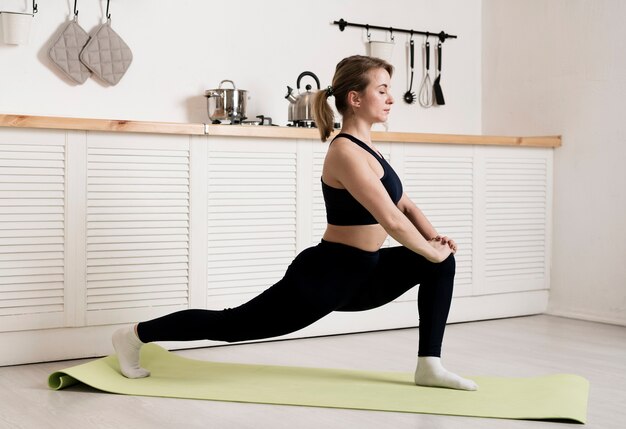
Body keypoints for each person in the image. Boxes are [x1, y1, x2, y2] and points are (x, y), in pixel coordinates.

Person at [112, 54, 477, 391]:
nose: (391, 98)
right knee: (232, 325)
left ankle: (429, 364)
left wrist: (434, 240)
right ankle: (133, 336)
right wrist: (428, 251)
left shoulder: (371, 149)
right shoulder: (345, 151)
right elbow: (392, 220)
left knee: (441, 264)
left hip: (366, 271)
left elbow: (406, 205)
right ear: (355, 98)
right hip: (326, 276)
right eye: (381, 90)